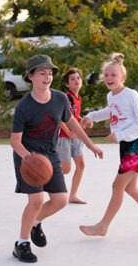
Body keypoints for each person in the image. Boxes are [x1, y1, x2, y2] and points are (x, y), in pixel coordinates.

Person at [11, 54, 103, 263]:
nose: (47, 77)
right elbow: (15, 141)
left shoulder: (60, 98)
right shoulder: (23, 107)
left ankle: (35, 223)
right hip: (27, 157)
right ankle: (21, 244)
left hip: (50, 154)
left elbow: (73, 124)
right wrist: (28, 158)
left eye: (50, 73)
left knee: (61, 200)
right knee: (36, 200)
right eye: (42, 73)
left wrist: (90, 145)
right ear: (31, 76)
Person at [79, 53, 138, 238]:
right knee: (130, 188)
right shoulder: (112, 96)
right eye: (107, 75)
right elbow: (111, 111)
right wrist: (91, 116)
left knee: (117, 187)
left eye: (113, 75)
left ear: (123, 77)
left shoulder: (131, 95)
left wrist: (120, 134)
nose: (109, 78)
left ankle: (102, 226)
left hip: (137, 146)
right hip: (127, 146)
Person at [56, 68, 88, 204]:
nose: (76, 80)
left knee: (81, 165)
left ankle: (73, 195)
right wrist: (68, 132)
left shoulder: (78, 98)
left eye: (78, 78)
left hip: (75, 137)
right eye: (72, 79)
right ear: (67, 84)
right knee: (66, 169)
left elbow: (73, 116)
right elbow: (58, 117)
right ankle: (43, 171)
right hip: (64, 137)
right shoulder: (66, 97)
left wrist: (83, 120)